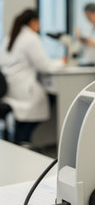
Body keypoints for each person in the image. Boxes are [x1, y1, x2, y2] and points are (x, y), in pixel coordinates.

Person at [0, 9, 65, 145]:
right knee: (47, 100)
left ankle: (20, 139)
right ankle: (23, 141)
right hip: (24, 89)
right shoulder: (31, 38)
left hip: (11, 87)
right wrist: (61, 61)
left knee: (24, 116)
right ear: (33, 22)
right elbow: (45, 66)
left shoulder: (10, 36)